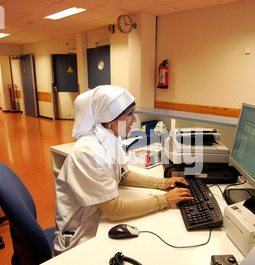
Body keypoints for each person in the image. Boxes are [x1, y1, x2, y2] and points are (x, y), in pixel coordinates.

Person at [53, 85, 193, 255]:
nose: (134, 119)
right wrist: (164, 200)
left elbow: (123, 176)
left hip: (98, 217)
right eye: (129, 114)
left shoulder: (110, 138)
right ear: (110, 118)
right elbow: (115, 210)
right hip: (80, 237)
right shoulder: (88, 152)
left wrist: (163, 183)